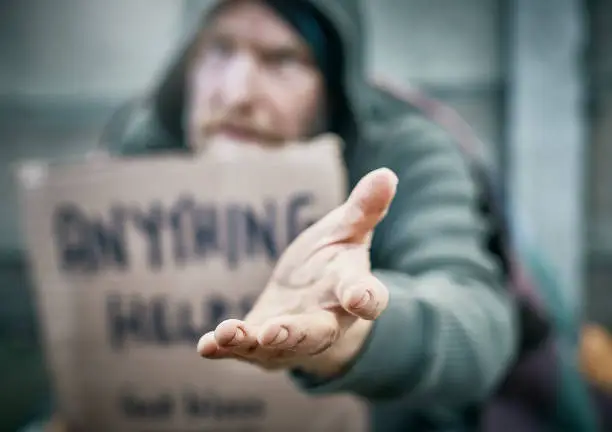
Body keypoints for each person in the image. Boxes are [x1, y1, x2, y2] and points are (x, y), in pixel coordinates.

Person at [26, 0, 523, 431]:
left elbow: (478, 321)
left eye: (282, 59)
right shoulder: (141, 148)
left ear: (332, 83)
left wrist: (353, 333)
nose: (237, 93)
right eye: (218, 50)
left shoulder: (401, 153)